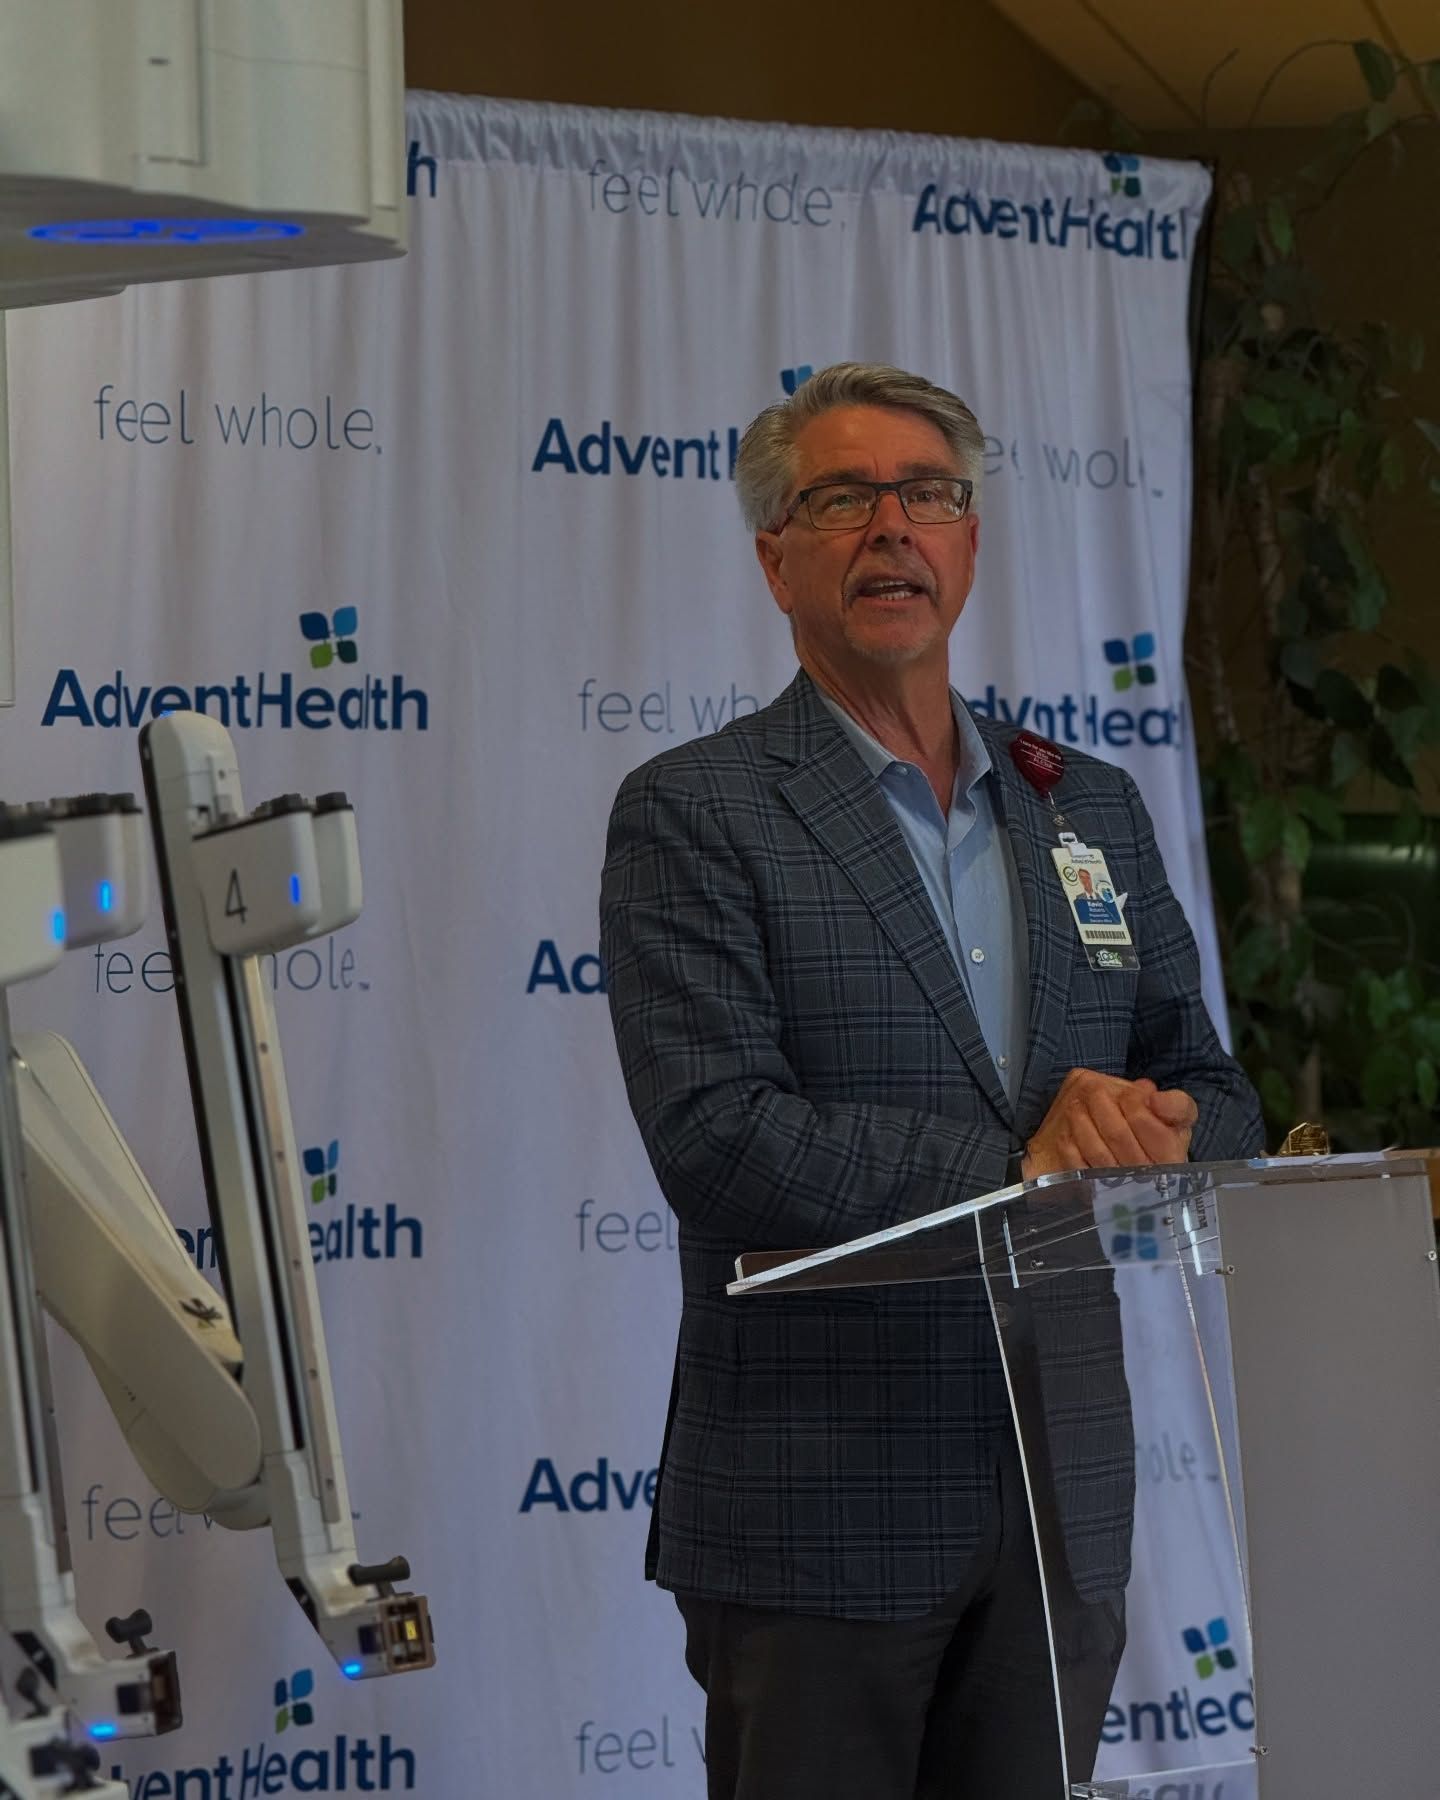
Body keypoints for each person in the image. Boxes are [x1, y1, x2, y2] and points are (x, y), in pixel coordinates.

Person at [599, 362, 1265, 1800]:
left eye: (927, 496)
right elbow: (717, 1138)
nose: (891, 527)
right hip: (818, 1506)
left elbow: (1213, 1087)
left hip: (1059, 1495)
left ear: (969, 540)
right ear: (776, 558)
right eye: (842, 499)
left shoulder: (1085, 804)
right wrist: (1031, 1164)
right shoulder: (697, 810)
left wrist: (1155, 1126)